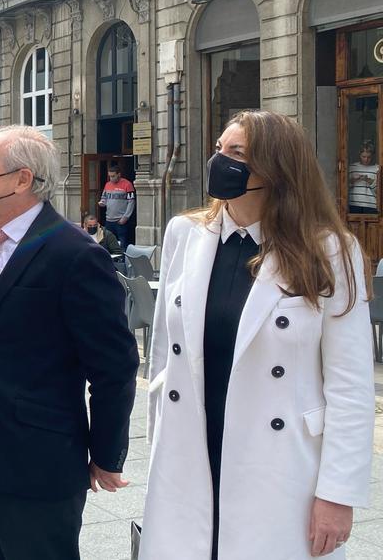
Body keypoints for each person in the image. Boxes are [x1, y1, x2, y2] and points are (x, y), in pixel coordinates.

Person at [141, 111, 374, 559]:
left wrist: (338, 494)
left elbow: (351, 386)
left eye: (237, 154)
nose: (220, 161)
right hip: (191, 448)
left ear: (277, 169)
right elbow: (162, 358)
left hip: (280, 465)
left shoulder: (330, 250)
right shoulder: (184, 234)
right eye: (219, 150)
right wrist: (158, 446)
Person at [0, 126, 139, 559]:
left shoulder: (76, 253)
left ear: (22, 179)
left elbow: (114, 365)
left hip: (40, 459)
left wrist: (107, 454)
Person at [99, 163, 136, 249]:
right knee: (107, 242)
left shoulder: (127, 184)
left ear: (119, 174)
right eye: (110, 176)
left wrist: (125, 217)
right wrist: (102, 202)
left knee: (122, 242)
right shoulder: (107, 185)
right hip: (109, 219)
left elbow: (131, 202)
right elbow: (104, 197)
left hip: (120, 220)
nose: (111, 178)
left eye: (113, 176)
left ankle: (122, 260)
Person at [348, 142, 377, 214]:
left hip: (371, 205)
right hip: (353, 204)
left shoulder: (377, 168)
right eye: (363, 156)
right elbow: (344, 187)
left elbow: (379, 191)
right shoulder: (352, 168)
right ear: (359, 155)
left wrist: (368, 180)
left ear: (373, 156)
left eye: (369, 157)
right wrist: (354, 180)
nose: (366, 159)